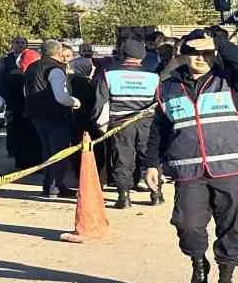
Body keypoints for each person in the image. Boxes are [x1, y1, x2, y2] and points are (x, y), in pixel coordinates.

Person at [155, 27, 238, 283]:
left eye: (206, 53)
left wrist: (219, 42)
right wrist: (150, 164)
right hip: (188, 173)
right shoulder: (167, 88)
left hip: (228, 171)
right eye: (192, 52)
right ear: (182, 54)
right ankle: (198, 263)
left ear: (214, 54)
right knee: (188, 226)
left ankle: (226, 282)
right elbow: (159, 130)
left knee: (231, 226)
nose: (199, 58)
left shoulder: (232, 82)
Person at [94, 35, 163, 209]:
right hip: (147, 122)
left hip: (120, 123)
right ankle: (156, 193)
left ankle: (124, 197)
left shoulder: (108, 74)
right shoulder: (154, 76)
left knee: (122, 159)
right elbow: (160, 102)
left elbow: (100, 103)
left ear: (122, 54)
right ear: (142, 56)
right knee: (149, 157)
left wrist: (98, 124)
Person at [24, 40, 81, 199]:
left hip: (36, 115)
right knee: (60, 152)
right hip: (54, 115)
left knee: (47, 151)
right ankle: (55, 187)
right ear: (59, 51)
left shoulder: (31, 67)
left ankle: (49, 185)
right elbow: (60, 96)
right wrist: (75, 102)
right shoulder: (55, 69)